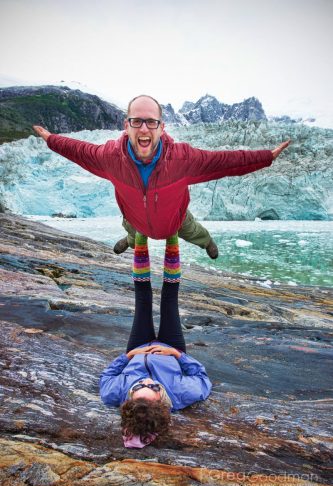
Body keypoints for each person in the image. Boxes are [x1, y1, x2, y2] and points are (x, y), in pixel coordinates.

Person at [33, 94, 290, 260]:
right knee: (133, 231)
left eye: (151, 122)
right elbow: (79, 150)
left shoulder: (182, 159)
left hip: (174, 219)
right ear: (127, 126)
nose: (144, 128)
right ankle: (129, 241)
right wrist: (51, 139)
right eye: (136, 121)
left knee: (193, 230)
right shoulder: (109, 158)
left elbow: (225, 161)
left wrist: (266, 156)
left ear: (161, 127)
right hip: (135, 217)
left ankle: (208, 243)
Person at [99, 233, 212, 448]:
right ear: (161, 401)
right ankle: (171, 235)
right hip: (171, 347)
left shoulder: (113, 394)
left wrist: (127, 357)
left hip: (138, 348)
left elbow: (107, 376)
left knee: (143, 298)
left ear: (129, 401)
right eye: (153, 388)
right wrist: (178, 355)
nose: (147, 382)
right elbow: (202, 377)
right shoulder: (181, 394)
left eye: (139, 386)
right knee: (170, 298)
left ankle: (140, 235)